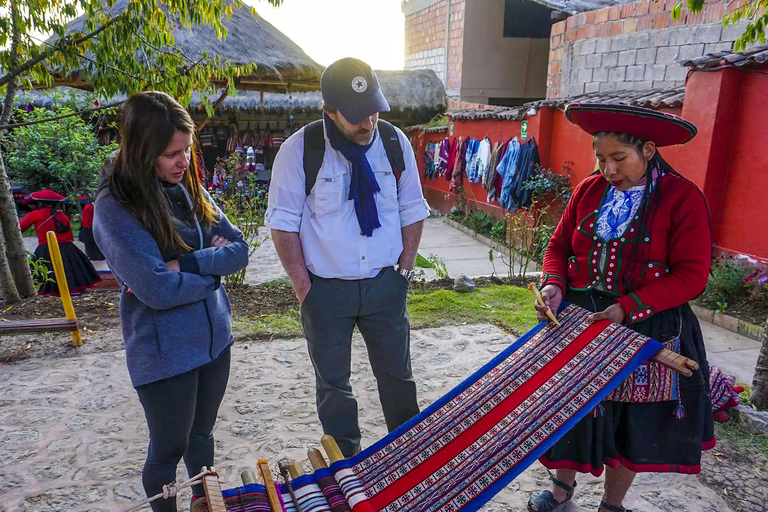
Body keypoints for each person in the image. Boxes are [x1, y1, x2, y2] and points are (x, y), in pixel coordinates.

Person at [528, 104, 714, 512]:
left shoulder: (682, 198)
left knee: (629, 419)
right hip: (580, 319)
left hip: (645, 325)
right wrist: (554, 284)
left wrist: (628, 307)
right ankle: (561, 493)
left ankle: (611, 505)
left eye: (618, 158)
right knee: (571, 407)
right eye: (600, 157)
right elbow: (558, 246)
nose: (607, 169)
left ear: (648, 150)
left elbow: (692, 276)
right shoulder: (589, 190)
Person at [266, 57, 431, 458]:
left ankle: (407, 456)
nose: (368, 122)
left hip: (384, 285)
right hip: (325, 292)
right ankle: (348, 466)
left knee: (398, 378)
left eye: (373, 110)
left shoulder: (394, 143)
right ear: (328, 112)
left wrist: (404, 272)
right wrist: (305, 288)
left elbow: (412, 208)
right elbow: (282, 223)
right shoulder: (299, 150)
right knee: (334, 386)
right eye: (356, 115)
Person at [93, 91, 249, 512]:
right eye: (171, 154)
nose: (183, 162)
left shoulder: (185, 186)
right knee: (168, 449)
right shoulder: (116, 206)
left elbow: (239, 248)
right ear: (143, 152)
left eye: (186, 150)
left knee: (202, 437)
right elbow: (157, 289)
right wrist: (213, 276)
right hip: (164, 352)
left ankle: (205, 504)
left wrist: (186, 263)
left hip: (215, 339)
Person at [19, 189, 100, 295]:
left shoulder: (35, 214)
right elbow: (70, 235)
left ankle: (52, 293)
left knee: (47, 272)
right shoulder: (62, 215)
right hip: (67, 247)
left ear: (40, 202)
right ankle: (78, 291)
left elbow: (19, 228)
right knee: (73, 269)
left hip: (46, 248)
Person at [78, 195, 105, 261]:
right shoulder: (94, 207)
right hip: (92, 227)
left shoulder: (88, 206)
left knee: (89, 244)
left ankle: (92, 256)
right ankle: (99, 256)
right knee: (96, 243)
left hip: (86, 227)